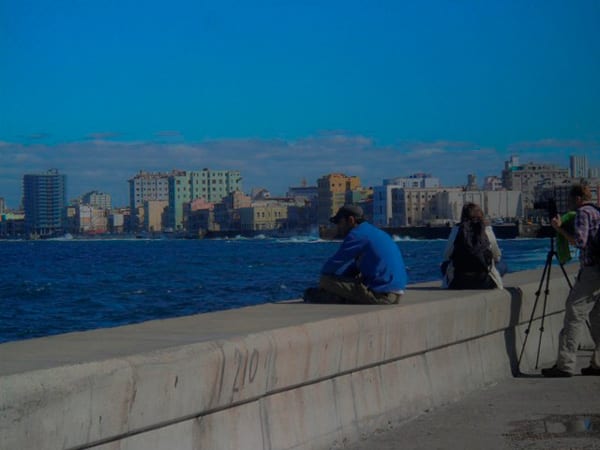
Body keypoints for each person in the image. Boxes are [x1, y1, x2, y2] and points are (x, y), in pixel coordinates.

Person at [541, 184, 600, 377]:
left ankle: (565, 364)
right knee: (597, 317)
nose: (567, 203)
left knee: (574, 313)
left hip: (592, 271)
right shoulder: (597, 211)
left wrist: (560, 229)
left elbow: (580, 242)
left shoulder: (582, 213)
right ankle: (598, 363)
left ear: (577, 198)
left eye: (568, 199)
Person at [303, 204, 408, 304]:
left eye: (339, 222)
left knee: (325, 280)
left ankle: (332, 297)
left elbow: (331, 266)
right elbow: (355, 267)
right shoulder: (373, 232)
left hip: (381, 295)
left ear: (351, 220)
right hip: (395, 292)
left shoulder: (357, 235)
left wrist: (331, 283)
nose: (338, 227)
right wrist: (343, 280)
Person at [441, 202, 504, 289]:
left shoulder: (457, 230)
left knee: (443, 265)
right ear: (480, 214)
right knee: (503, 265)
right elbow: (497, 255)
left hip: (459, 281)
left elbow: (446, 256)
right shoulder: (487, 229)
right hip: (484, 281)